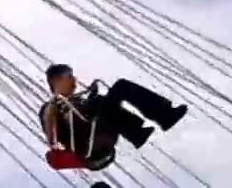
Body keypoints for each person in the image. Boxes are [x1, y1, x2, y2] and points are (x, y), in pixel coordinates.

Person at [39, 64, 187, 169]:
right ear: (56, 81)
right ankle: (161, 119)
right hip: (89, 145)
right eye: (69, 77)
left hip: (100, 135)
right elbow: (54, 135)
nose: (74, 79)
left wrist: (91, 99)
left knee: (101, 100)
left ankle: (137, 132)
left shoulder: (77, 101)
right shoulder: (50, 108)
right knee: (120, 87)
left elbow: (86, 114)